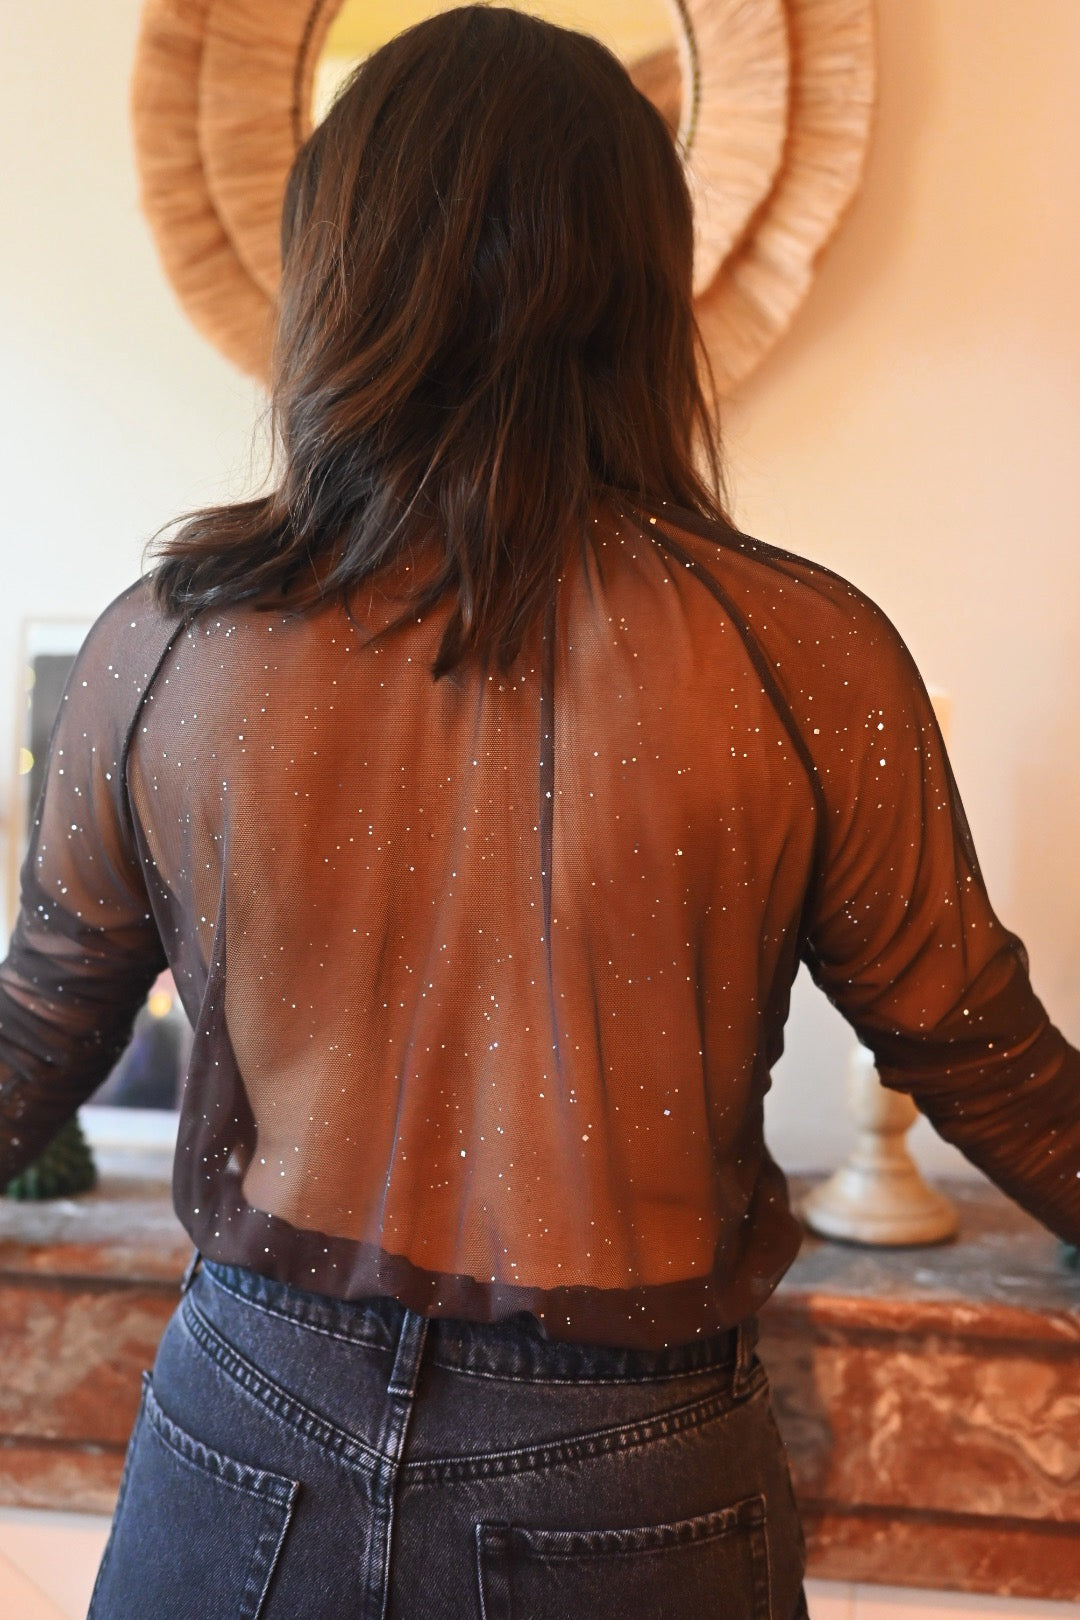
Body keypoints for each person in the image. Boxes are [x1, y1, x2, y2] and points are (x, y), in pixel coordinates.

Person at [1, 8, 1077, 1617]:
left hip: (246, 1428)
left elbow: (33, 1035)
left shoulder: (168, 645)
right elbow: (982, 1053)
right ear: (643, 285)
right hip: (631, 1470)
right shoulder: (801, 653)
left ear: (336, 275)